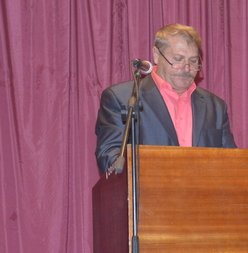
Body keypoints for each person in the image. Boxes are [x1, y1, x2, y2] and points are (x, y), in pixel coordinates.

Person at [95, 24, 236, 174]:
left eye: (193, 61)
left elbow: (232, 163)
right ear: (156, 55)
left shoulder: (215, 106)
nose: (186, 68)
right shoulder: (122, 98)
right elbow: (110, 158)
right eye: (178, 59)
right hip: (148, 188)